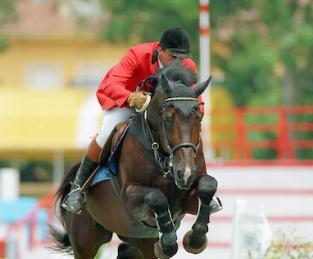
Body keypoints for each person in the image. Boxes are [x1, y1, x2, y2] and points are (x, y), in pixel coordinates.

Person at [62, 27, 221, 215]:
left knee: (187, 130)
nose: (178, 62)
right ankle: (78, 189)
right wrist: (131, 97)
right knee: (107, 131)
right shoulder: (137, 55)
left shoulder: (188, 65)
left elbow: (192, 96)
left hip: (163, 109)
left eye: (182, 57)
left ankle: (201, 189)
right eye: (173, 56)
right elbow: (112, 85)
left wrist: (198, 113)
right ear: (160, 50)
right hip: (126, 101)